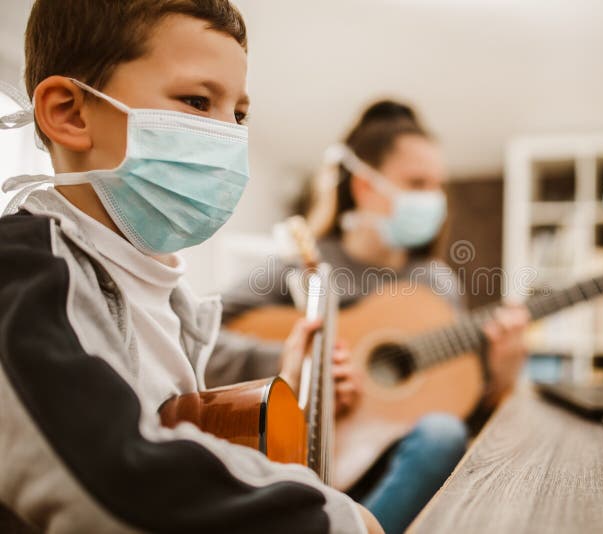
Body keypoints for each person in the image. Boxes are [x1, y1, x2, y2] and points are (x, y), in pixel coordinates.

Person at [0, 1, 382, 533]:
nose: (229, 136)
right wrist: (335, 520)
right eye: (198, 101)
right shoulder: (19, 271)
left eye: (239, 114)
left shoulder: (172, 301)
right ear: (70, 112)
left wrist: (281, 399)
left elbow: (185, 442)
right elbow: (115, 479)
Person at [214, 100, 530, 533]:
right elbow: (203, 336)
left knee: (442, 433)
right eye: (417, 182)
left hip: (403, 476)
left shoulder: (437, 283)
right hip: (308, 459)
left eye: (438, 185)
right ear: (365, 186)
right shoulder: (299, 262)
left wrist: (501, 377)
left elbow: (460, 409)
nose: (433, 199)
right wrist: (300, 368)